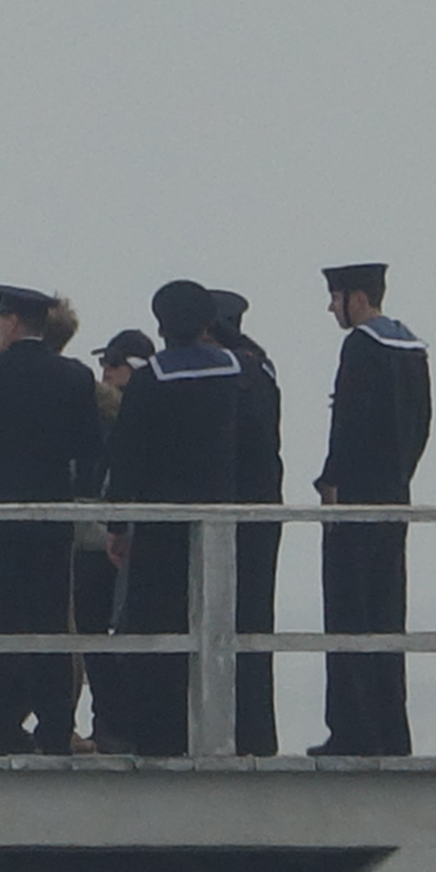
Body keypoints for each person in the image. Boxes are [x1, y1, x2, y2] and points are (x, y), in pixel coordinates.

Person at [0, 285, 103, 756]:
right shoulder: (74, 376)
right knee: (49, 625)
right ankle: (55, 728)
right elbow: (90, 454)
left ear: (12, 322)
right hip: (49, 523)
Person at [103, 281, 240, 757]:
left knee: (156, 631)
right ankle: (215, 731)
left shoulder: (151, 379)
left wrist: (117, 525)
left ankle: (156, 736)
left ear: (161, 326)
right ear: (207, 323)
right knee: (218, 628)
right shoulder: (236, 373)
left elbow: (127, 457)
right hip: (223, 520)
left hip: (161, 524)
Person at [311, 262, 431, 757]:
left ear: (356, 298)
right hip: (394, 492)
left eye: (336, 297)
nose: (331, 307)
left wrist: (332, 478)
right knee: (387, 611)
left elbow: (351, 422)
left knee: (349, 612)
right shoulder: (411, 347)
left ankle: (353, 731)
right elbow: (421, 422)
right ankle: (390, 730)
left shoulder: (360, 345)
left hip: (357, 497)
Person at [208, 289, 283, 757]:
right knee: (254, 626)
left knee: (224, 620)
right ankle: (256, 734)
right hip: (263, 508)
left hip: (234, 509)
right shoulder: (263, 367)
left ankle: (229, 733)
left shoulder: (233, 372)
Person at [77, 328, 154, 753]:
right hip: (96, 541)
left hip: (120, 540)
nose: (105, 373)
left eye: (114, 364)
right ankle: (108, 723)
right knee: (94, 637)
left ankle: (118, 724)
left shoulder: (130, 415)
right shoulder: (98, 413)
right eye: (104, 364)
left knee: (117, 635)